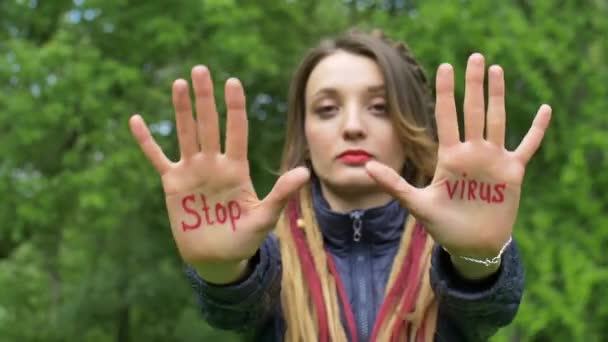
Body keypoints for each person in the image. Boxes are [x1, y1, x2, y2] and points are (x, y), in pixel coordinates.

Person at [128, 30, 551, 341]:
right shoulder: (268, 251)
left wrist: (474, 259)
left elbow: (486, 310)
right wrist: (221, 270)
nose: (352, 127)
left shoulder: (447, 245)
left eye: (380, 108)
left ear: (410, 127)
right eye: (327, 109)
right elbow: (236, 310)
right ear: (305, 133)